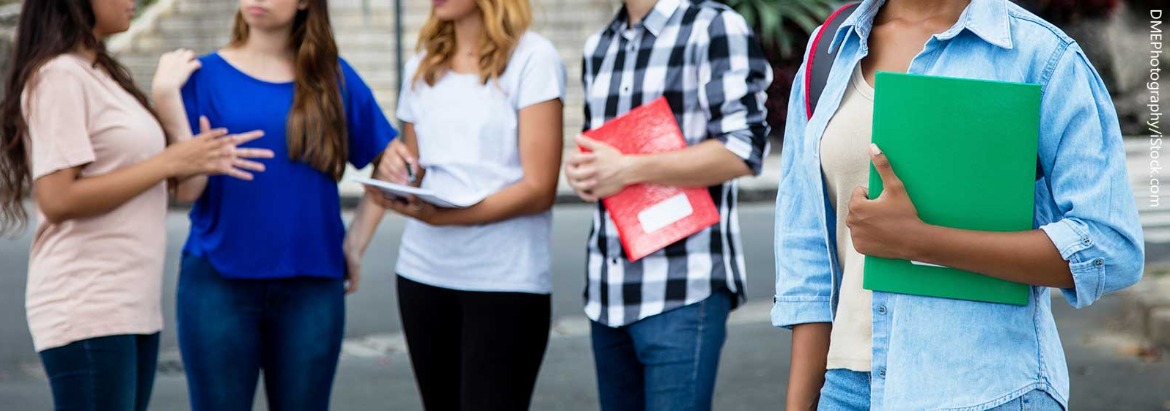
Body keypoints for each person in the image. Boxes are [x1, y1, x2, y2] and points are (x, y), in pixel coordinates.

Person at [771, 0, 1145, 410]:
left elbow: (1109, 248)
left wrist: (921, 242)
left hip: (984, 389)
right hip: (844, 391)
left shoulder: (1038, 54)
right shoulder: (830, 48)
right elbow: (808, 262)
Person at [0, 0, 272, 409]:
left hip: (131, 305)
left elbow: (178, 186)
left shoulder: (98, 73)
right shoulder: (58, 76)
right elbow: (56, 199)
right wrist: (170, 161)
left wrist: (181, 140)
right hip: (88, 304)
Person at [157, 0, 400, 409]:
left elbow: (393, 164)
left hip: (312, 287)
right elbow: (186, 192)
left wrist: (355, 243)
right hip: (218, 285)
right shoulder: (201, 77)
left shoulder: (334, 78)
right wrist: (167, 101)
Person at [560, 0, 771, 408]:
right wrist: (588, 174)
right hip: (608, 291)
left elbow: (743, 150)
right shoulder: (599, 46)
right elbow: (605, 157)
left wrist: (628, 169)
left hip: (683, 288)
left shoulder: (713, 26)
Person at [363, 0, 565, 407]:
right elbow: (417, 172)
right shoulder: (421, 65)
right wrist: (392, 179)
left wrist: (447, 218)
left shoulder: (533, 58)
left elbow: (539, 187)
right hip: (423, 274)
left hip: (504, 280)